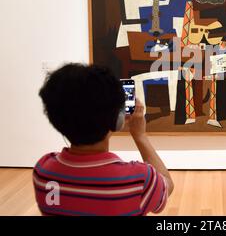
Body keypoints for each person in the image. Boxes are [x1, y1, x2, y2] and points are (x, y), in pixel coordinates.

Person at [34, 63, 174, 216]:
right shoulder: (140, 179)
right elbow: (166, 186)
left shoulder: (43, 171)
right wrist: (140, 136)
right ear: (117, 120)